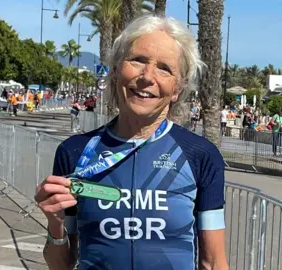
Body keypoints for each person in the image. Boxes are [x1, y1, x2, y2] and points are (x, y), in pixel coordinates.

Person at [34, 15, 228, 270]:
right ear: (115, 70)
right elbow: (61, 266)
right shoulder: (74, 152)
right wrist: (55, 224)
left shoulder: (201, 156)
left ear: (177, 89)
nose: (148, 76)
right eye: (138, 60)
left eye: (164, 68)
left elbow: (213, 263)